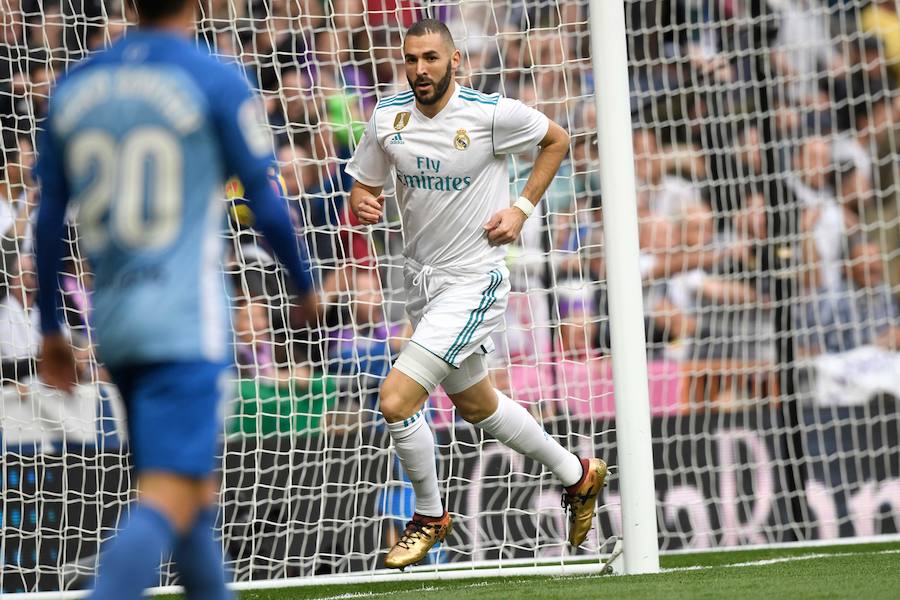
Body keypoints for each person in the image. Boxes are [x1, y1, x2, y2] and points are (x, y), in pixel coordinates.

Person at [33, 1, 316, 599]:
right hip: (186, 320)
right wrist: (305, 282)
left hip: (114, 320)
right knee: (169, 496)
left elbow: (49, 219)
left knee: (192, 497)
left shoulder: (75, 85)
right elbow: (265, 203)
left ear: (131, 5)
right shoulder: (213, 77)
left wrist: (53, 330)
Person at [347, 19, 606, 570]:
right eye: (412, 59)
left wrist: (522, 208)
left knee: (395, 400)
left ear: (455, 60)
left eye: (432, 59)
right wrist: (362, 203)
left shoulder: (490, 114)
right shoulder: (388, 119)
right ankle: (578, 475)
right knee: (476, 404)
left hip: (474, 280)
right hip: (422, 283)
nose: (421, 70)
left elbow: (558, 140)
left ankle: (429, 515)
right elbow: (364, 184)